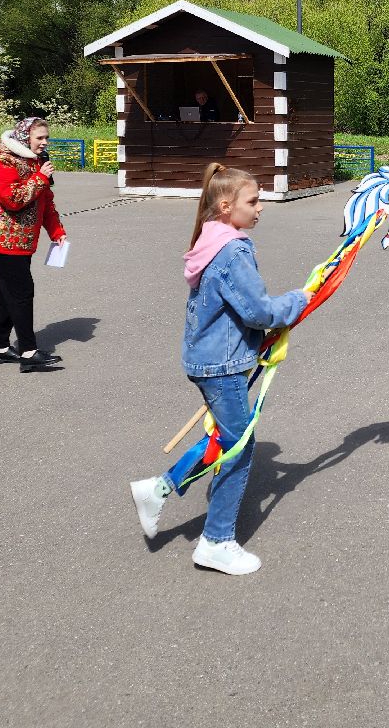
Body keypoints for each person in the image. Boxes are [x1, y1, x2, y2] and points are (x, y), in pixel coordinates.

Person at [129, 164, 309, 576]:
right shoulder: (232, 250)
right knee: (239, 449)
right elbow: (260, 311)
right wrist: (299, 299)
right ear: (226, 206)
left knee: (224, 438)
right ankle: (216, 541)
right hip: (221, 365)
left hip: (211, 360)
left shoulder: (212, 237)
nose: (260, 207)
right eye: (253, 200)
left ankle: (158, 489)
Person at [0, 116, 67, 373]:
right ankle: (28, 352)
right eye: (39, 138)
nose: (44, 142)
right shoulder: (3, 162)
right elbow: (13, 199)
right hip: (2, 241)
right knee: (21, 292)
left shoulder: (36, 163)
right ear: (24, 137)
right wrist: (40, 177)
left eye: (46, 138)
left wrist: (57, 231)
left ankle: (0, 348)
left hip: (22, 241)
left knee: (7, 293)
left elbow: (45, 201)